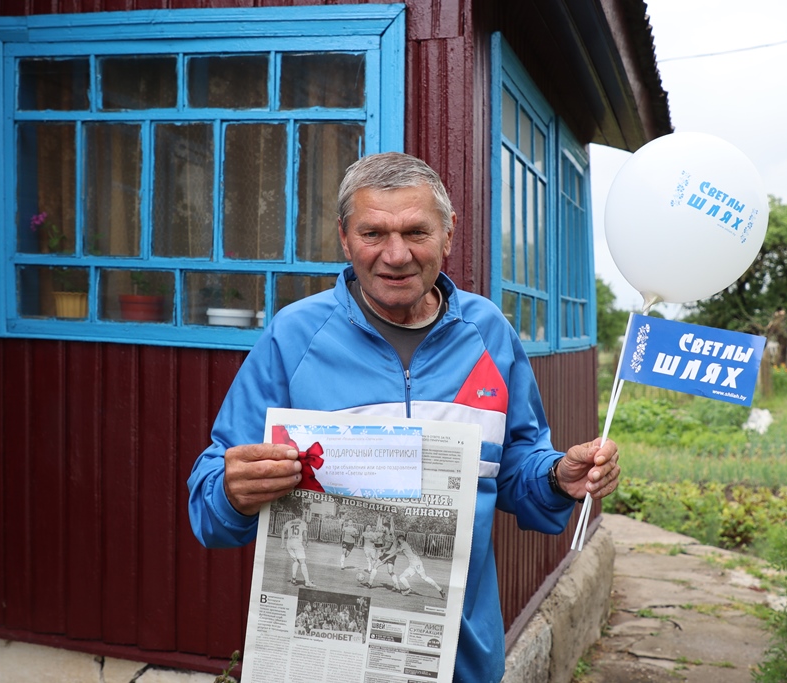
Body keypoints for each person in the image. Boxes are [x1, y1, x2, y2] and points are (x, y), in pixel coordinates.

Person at [187, 151, 620, 683]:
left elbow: (513, 468)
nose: (396, 255)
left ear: (448, 233)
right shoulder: (293, 337)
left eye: (416, 231)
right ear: (345, 238)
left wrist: (557, 476)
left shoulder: (489, 334)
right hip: (326, 661)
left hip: (461, 657)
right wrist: (233, 490)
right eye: (373, 234)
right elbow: (207, 500)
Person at [392, 531, 445, 599]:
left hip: (416, 563)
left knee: (424, 577)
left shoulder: (404, 544)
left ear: (400, 539)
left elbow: (396, 551)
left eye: (398, 540)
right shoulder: (406, 544)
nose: (398, 541)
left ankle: (440, 589)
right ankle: (409, 588)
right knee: (401, 577)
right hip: (412, 564)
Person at [281, 514, 316, 588]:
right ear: (302, 516)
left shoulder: (289, 522)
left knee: (296, 561)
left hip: (289, 543)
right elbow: (305, 534)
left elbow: (283, 531)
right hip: (297, 543)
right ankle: (307, 582)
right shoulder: (303, 523)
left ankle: (293, 579)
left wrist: (282, 543)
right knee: (303, 562)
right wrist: (306, 542)